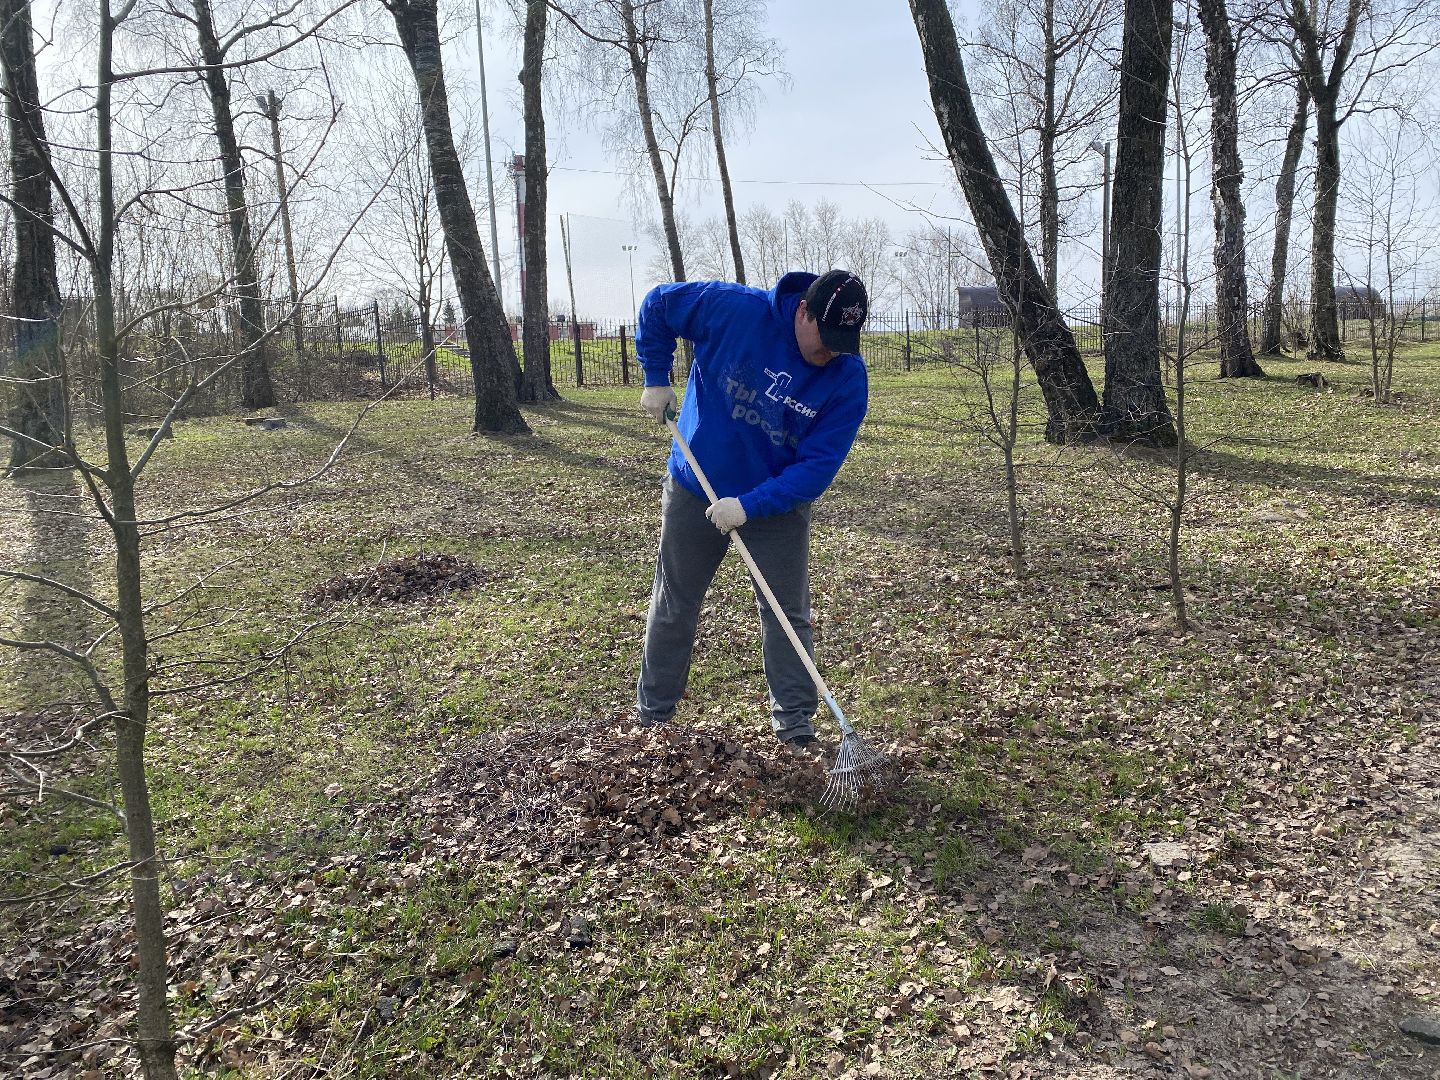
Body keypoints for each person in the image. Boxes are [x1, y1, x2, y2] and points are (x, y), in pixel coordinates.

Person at [633, 270, 870, 749]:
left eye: (841, 343)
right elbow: (658, 304)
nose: (829, 352)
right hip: (695, 485)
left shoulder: (846, 377)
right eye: (824, 338)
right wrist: (656, 377)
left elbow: (816, 468)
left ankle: (796, 730)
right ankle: (652, 719)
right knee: (675, 601)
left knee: (786, 613)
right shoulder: (733, 309)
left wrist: (750, 505)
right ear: (803, 311)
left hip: (774, 505)